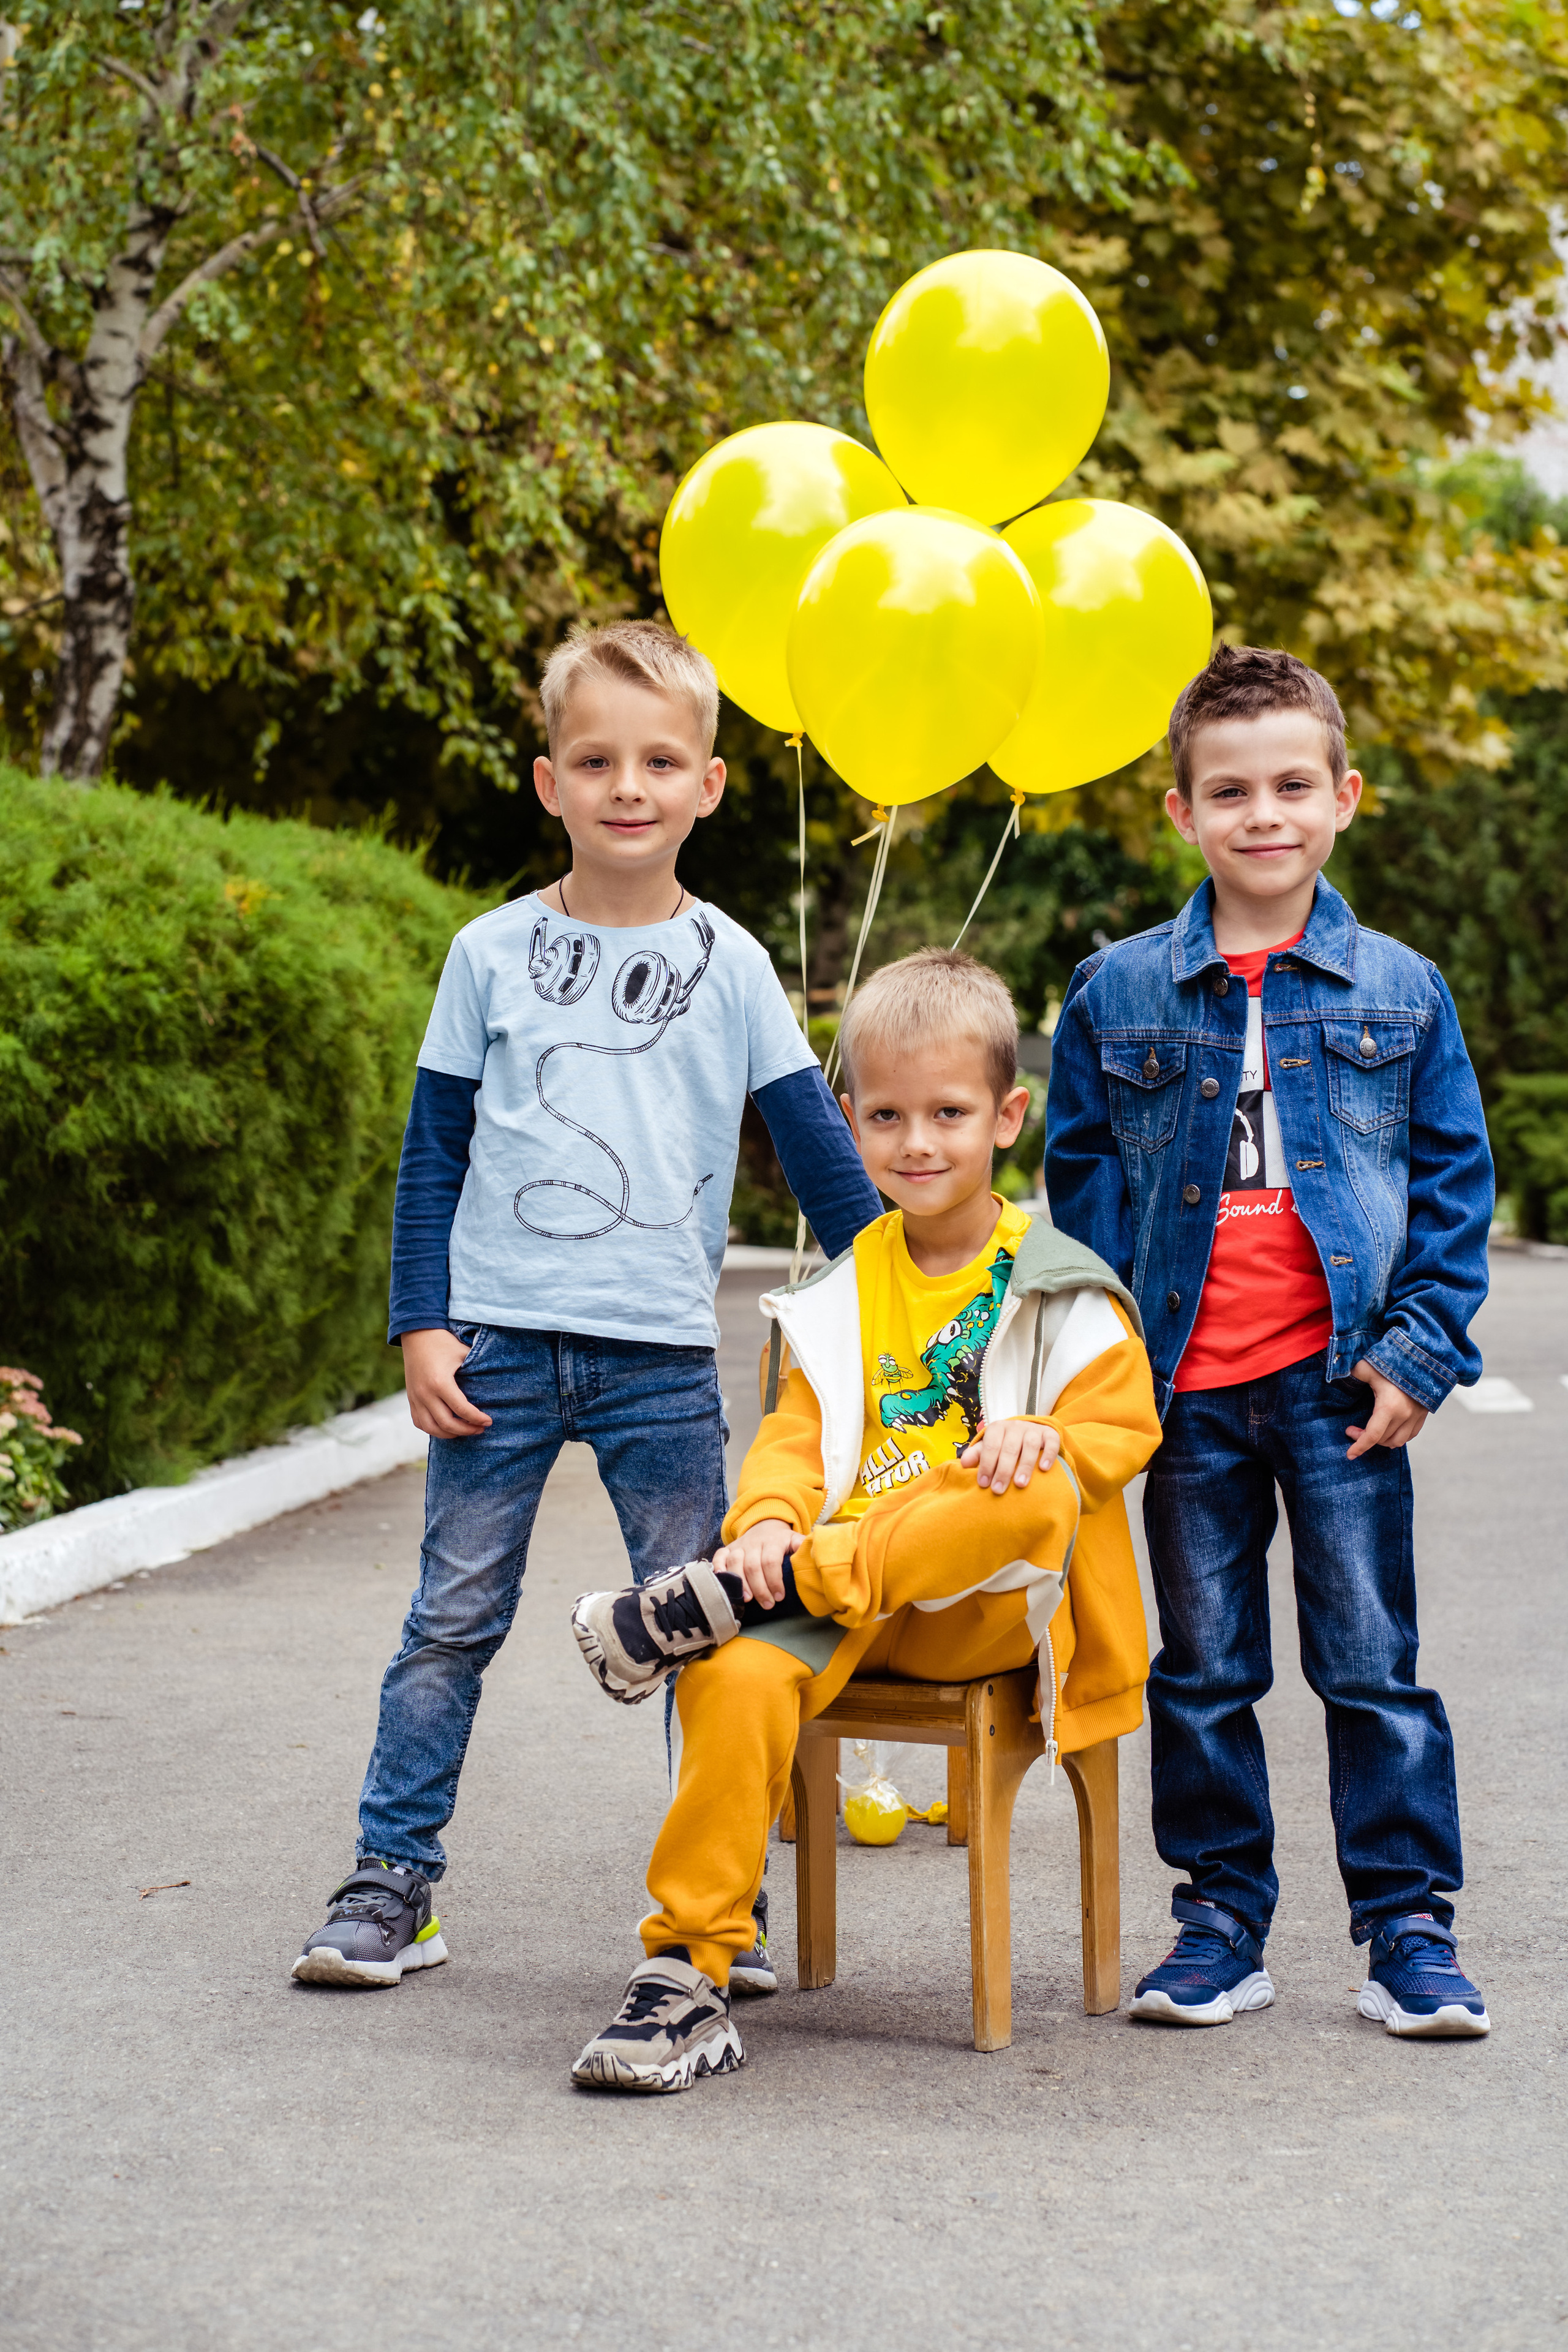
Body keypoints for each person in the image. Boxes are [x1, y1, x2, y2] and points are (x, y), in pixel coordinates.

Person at [292, 620, 881, 1991]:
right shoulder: (485, 954)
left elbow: (820, 1163)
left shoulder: (735, 966)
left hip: (661, 1360)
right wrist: (420, 1324)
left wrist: (937, 1304)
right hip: (493, 1345)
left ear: (708, 786)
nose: (628, 785)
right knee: (450, 1620)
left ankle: (713, 1907)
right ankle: (393, 1885)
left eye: (660, 760)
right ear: (549, 781)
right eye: (596, 759)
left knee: (703, 1631)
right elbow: (432, 1153)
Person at [566, 949, 1163, 2091]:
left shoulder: (1058, 1281)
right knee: (730, 1680)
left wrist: (1052, 1437)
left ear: (1009, 1117)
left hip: (978, 1609)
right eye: (885, 1116)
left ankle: (775, 1590)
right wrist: (766, 1527)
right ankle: (687, 1974)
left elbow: (1122, 1433)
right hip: (847, 1604)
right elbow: (795, 1439)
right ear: (849, 1122)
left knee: (1025, 1488)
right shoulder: (840, 1292)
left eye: (949, 1113)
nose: (918, 1143)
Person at [1046, 643, 1494, 2038]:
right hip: (1185, 1390)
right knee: (1200, 1669)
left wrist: (1417, 1355)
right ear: (1179, 811)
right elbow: (1081, 1196)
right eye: (1227, 789)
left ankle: (1405, 1930)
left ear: (1342, 795)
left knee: (1369, 1664)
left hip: (1340, 1387)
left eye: (1291, 785)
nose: (1262, 814)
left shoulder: (1401, 991)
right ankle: (1218, 1922)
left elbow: (1448, 1185)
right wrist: (1109, 1369)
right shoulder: (1113, 993)